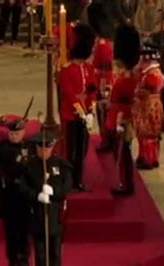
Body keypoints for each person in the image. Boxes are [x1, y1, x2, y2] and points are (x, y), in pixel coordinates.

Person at [20, 132, 72, 266]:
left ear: (52, 147)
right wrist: (36, 195)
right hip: (37, 215)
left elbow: (67, 185)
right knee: (40, 253)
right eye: (41, 148)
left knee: (55, 252)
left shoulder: (61, 165)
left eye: (47, 148)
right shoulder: (29, 166)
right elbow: (22, 187)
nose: (44, 151)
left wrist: (54, 191)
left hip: (55, 215)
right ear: (36, 148)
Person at [58, 24, 96, 192]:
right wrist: (82, 113)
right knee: (71, 149)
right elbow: (69, 94)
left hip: (85, 113)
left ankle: (78, 179)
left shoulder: (88, 68)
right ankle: (69, 181)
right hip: (71, 114)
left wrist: (91, 110)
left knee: (82, 149)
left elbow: (92, 90)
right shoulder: (67, 70)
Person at [0, 118, 30, 266]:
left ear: (23, 133)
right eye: (11, 133)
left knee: (25, 230)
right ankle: (12, 260)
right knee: (11, 231)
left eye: (16, 133)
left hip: (25, 195)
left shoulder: (29, 147)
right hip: (8, 195)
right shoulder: (2, 148)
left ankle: (24, 258)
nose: (13, 136)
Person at [109, 25, 141, 196]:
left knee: (123, 153)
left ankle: (126, 184)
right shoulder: (129, 77)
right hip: (121, 116)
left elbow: (120, 102)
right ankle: (126, 182)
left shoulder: (125, 80)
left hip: (122, 119)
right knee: (124, 153)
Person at [87, 1, 116, 152]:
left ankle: (107, 140)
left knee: (104, 112)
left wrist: (100, 85)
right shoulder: (104, 40)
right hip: (104, 78)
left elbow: (103, 67)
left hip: (103, 81)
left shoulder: (103, 44)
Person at [132, 42, 164, 169]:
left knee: (148, 133)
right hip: (147, 105)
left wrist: (137, 92)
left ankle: (149, 159)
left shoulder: (153, 73)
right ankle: (145, 156)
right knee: (143, 133)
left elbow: (149, 89)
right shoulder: (147, 71)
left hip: (149, 106)